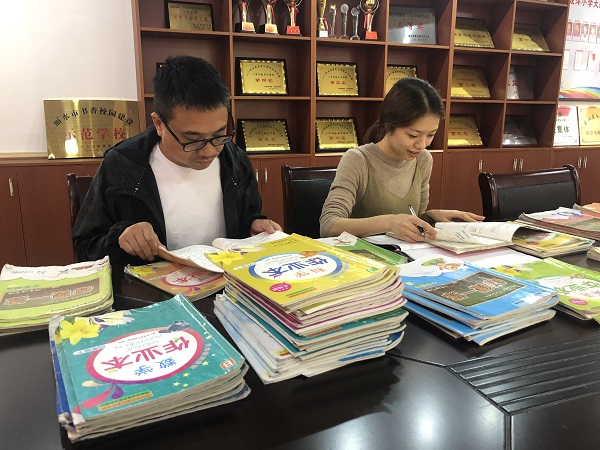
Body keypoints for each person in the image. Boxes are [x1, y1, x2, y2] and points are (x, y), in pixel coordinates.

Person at [73, 55, 282, 265]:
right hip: (154, 284)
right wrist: (120, 237)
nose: (209, 151)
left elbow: (247, 217)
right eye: (193, 139)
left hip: (225, 281)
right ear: (159, 124)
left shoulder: (235, 160)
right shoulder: (122, 165)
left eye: (219, 134)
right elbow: (84, 247)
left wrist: (253, 226)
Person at [319, 77, 483, 241]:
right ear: (389, 124)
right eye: (413, 135)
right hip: (361, 255)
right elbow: (328, 226)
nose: (422, 145)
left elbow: (412, 219)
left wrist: (431, 217)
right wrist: (389, 222)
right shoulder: (358, 160)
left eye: (430, 135)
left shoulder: (423, 160)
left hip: (404, 253)